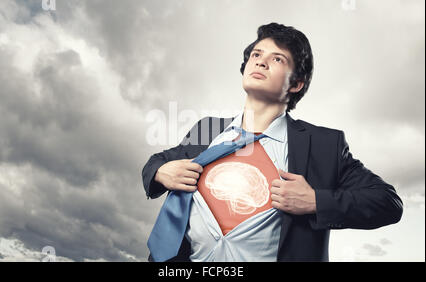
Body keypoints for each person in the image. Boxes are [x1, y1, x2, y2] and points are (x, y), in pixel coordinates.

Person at [141, 22, 403, 262]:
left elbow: (387, 202)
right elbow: (157, 162)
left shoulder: (324, 145)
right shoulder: (208, 129)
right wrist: (162, 172)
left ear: (296, 84)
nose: (261, 62)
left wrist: (315, 201)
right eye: (256, 55)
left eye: (277, 59)